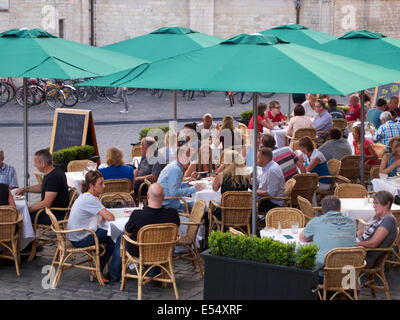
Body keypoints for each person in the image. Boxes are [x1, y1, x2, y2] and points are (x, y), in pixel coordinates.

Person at [67, 170, 121, 283]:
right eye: (101, 183)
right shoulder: (89, 199)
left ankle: (101, 268)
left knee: (112, 234)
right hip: (80, 238)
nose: (104, 186)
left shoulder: (87, 197)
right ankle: (101, 270)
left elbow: (104, 215)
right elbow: (110, 217)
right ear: (91, 186)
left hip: (75, 234)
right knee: (116, 236)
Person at [124, 183, 180, 276]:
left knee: (121, 238)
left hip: (140, 252)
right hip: (164, 251)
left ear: (148, 196)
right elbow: (176, 230)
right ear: (164, 196)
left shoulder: (137, 215)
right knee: (158, 242)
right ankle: (154, 270)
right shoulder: (172, 214)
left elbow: (127, 233)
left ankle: (114, 274)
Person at [300, 196, 356, 271]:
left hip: (325, 270)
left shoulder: (316, 221)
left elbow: (303, 238)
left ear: (323, 211)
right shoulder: (352, 221)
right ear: (340, 209)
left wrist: (316, 235)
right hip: (350, 270)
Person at [15, 149, 69, 225]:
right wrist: (25, 189)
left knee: (20, 219)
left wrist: (28, 210)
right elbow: (43, 187)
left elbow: (46, 203)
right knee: (23, 215)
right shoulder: (53, 171)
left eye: (35, 162)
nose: (34, 165)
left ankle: (24, 236)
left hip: (54, 215)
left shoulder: (53, 177)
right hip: (50, 211)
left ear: (43, 163)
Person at [357, 191, 398, 268]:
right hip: (359, 249)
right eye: (373, 203)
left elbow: (373, 244)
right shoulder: (378, 217)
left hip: (364, 256)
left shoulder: (388, 220)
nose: (374, 206)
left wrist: (353, 244)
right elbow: (364, 229)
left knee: (333, 254)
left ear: (387, 204)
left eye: (376, 203)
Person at [157, 146, 202, 212]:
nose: (189, 160)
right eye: (186, 157)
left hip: (166, 202)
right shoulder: (175, 169)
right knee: (200, 205)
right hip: (169, 206)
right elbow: (174, 193)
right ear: (179, 156)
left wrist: (187, 184)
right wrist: (194, 189)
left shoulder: (174, 165)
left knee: (197, 202)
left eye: (189, 157)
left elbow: (174, 185)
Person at [211, 150, 251, 220]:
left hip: (225, 214)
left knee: (211, 207)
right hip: (244, 213)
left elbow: (214, 188)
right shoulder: (247, 175)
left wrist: (221, 170)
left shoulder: (221, 176)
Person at [256, 147, 285, 213]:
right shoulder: (267, 166)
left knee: (248, 204)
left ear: (265, 160)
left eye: (258, 158)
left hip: (273, 204)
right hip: (266, 199)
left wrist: (255, 192)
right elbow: (261, 181)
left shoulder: (272, 171)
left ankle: (250, 221)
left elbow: (270, 194)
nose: (257, 160)